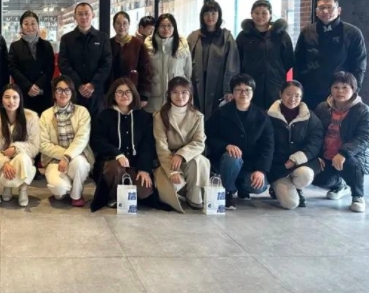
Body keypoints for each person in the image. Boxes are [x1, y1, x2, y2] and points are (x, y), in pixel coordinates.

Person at [206, 74, 274, 209]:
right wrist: (226, 146)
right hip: (225, 162)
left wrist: (261, 170)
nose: (243, 93)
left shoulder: (262, 116)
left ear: (253, 92)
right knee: (233, 156)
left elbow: (268, 145)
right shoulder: (221, 113)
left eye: (247, 90)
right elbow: (209, 135)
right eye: (238, 90)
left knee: (259, 187)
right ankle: (228, 191)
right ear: (232, 92)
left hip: (250, 164)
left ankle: (241, 186)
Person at [312, 72, 369, 213]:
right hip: (327, 153)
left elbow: (364, 137)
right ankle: (340, 185)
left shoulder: (363, 111)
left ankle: (358, 196)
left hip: (354, 154)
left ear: (353, 89)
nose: (340, 91)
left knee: (350, 164)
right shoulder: (322, 108)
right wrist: (315, 154)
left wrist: (343, 153)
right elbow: (314, 132)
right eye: (336, 87)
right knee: (315, 177)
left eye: (345, 87)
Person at [90, 78, 156, 211]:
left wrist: (144, 169)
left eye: (128, 92)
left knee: (144, 191)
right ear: (113, 95)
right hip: (111, 164)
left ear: (134, 94)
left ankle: (128, 192)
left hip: (135, 165)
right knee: (115, 168)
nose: (124, 95)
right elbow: (97, 141)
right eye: (119, 92)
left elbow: (147, 145)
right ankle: (114, 196)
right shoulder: (104, 116)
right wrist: (117, 154)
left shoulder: (143, 117)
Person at [294, 0, 367, 109]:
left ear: (339, 10)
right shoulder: (307, 32)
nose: (325, 11)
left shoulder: (352, 33)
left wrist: (352, 91)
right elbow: (298, 62)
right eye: (321, 8)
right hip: (310, 92)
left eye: (330, 7)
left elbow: (359, 66)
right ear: (316, 11)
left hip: (340, 93)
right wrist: (297, 90)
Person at [153, 77, 210, 212]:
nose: (180, 96)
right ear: (169, 94)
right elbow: (161, 146)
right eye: (175, 92)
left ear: (190, 94)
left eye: (184, 92)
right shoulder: (160, 116)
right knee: (168, 192)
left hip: (188, 157)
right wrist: (172, 171)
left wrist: (181, 154)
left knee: (199, 161)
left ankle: (194, 197)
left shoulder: (198, 116)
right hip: (167, 160)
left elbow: (199, 142)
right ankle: (179, 190)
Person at [39, 75, 94, 207]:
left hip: (77, 157)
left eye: (67, 90)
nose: (63, 93)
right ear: (54, 93)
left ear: (72, 92)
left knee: (79, 164)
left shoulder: (82, 112)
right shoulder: (46, 115)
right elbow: (43, 144)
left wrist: (68, 157)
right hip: (54, 161)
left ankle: (76, 195)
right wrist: (63, 156)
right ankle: (64, 188)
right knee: (59, 190)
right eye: (59, 90)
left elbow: (82, 139)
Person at [267, 81, 324, 210]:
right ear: (280, 94)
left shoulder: (310, 117)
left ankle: (297, 188)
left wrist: (296, 158)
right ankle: (276, 188)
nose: (292, 99)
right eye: (288, 94)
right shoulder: (268, 115)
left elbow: (315, 142)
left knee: (306, 175)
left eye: (297, 95)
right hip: (278, 167)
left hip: (301, 164)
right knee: (290, 204)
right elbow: (265, 144)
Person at [0, 84, 40, 207]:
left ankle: (23, 188)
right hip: (3, 165)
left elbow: (34, 146)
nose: (11, 101)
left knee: (22, 157)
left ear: (20, 99)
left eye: (15, 97)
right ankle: (7, 186)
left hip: (24, 162)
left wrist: (16, 149)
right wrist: (4, 163)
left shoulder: (31, 117)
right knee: (13, 162)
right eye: (7, 97)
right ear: (1, 100)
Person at [236, 0, 294, 110]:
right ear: (251, 14)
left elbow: (289, 60)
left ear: (270, 15)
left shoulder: (281, 35)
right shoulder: (243, 36)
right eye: (256, 13)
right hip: (250, 85)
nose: (260, 16)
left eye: (264, 13)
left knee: (274, 113)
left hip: (275, 84)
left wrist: (275, 72)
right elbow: (237, 59)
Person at [187, 1, 240, 120]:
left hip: (218, 83)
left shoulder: (226, 37)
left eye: (213, 13)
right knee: (196, 113)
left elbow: (232, 64)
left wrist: (228, 89)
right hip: (197, 82)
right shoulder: (194, 36)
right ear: (202, 16)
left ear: (219, 15)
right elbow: (185, 61)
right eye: (206, 13)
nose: (210, 17)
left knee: (216, 116)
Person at [58, 2, 112, 118]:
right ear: (75, 17)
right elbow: (63, 64)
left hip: (96, 92)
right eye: (80, 14)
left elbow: (106, 64)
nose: (83, 17)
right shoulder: (67, 39)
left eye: (87, 13)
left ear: (93, 15)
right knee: (75, 123)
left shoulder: (102, 38)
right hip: (74, 91)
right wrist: (79, 85)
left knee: (97, 124)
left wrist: (92, 84)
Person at [8, 10, 56, 115]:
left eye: (33, 23)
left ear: (38, 25)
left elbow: (50, 67)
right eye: (26, 24)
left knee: (45, 121)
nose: (30, 27)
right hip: (24, 92)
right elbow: (13, 68)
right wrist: (28, 86)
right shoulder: (15, 46)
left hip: (43, 91)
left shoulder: (46, 45)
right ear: (21, 27)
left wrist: (38, 85)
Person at [144, 13, 192, 113]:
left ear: (174, 27)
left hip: (177, 98)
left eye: (169, 25)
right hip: (154, 98)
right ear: (157, 28)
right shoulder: (148, 46)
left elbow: (188, 73)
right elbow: (145, 73)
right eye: (162, 26)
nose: (166, 29)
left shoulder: (182, 46)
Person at [109, 12, 152, 108]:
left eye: (125, 23)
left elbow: (145, 71)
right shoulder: (108, 44)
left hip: (133, 92)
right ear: (113, 25)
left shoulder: (138, 44)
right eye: (118, 23)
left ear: (129, 24)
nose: (121, 26)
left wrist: (144, 95)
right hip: (112, 92)